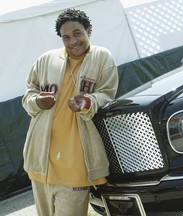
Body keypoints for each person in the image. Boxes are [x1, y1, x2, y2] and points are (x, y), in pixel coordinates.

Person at [22, 8, 118, 216]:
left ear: (88, 31)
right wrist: (38, 101)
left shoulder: (102, 57)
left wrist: (86, 102)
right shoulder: (45, 60)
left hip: (76, 161)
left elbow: (107, 95)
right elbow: (28, 95)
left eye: (77, 33)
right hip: (41, 158)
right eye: (66, 37)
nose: (73, 41)